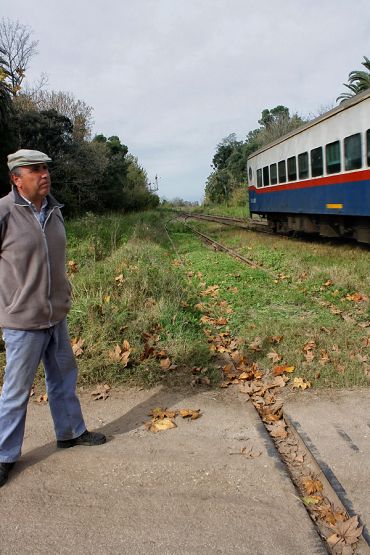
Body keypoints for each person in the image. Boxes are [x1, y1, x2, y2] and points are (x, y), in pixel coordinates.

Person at [0, 149, 106, 488]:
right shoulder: (4, 212)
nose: (44, 174)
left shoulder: (54, 210)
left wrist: (63, 295)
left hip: (56, 315)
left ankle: (70, 432)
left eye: (46, 168)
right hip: (22, 320)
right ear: (16, 178)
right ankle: (4, 456)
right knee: (16, 391)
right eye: (35, 170)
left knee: (63, 378)